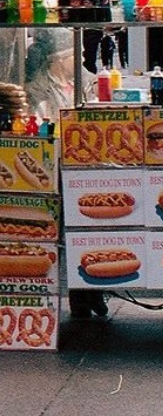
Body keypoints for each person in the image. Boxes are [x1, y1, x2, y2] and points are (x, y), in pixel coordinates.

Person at [25, 30, 106, 320]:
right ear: (59, 59)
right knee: (62, 234)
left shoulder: (84, 80)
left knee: (89, 230)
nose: (81, 59)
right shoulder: (37, 89)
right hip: (55, 165)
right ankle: (77, 298)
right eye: (76, 54)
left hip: (86, 162)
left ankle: (91, 291)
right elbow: (37, 122)